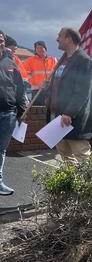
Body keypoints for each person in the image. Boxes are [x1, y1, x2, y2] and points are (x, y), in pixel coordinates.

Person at [46, 27, 92, 164]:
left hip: (72, 118)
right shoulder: (62, 60)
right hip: (56, 115)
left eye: (60, 36)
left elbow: (82, 90)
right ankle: (72, 185)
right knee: (65, 154)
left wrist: (69, 113)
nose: (57, 39)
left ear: (69, 39)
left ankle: (91, 185)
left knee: (81, 155)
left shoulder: (84, 60)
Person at [0, 29, 26, 195]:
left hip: (8, 113)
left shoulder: (11, 62)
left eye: (1, 39)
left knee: (1, 150)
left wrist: (21, 108)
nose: (0, 42)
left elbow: (19, 87)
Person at [24, 40, 58, 105]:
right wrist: (37, 83)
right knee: (38, 110)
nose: (39, 49)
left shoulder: (53, 60)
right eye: (37, 48)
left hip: (50, 90)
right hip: (36, 90)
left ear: (45, 49)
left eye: (41, 47)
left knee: (50, 110)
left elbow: (56, 74)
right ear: (35, 50)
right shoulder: (29, 61)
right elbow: (26, 75)